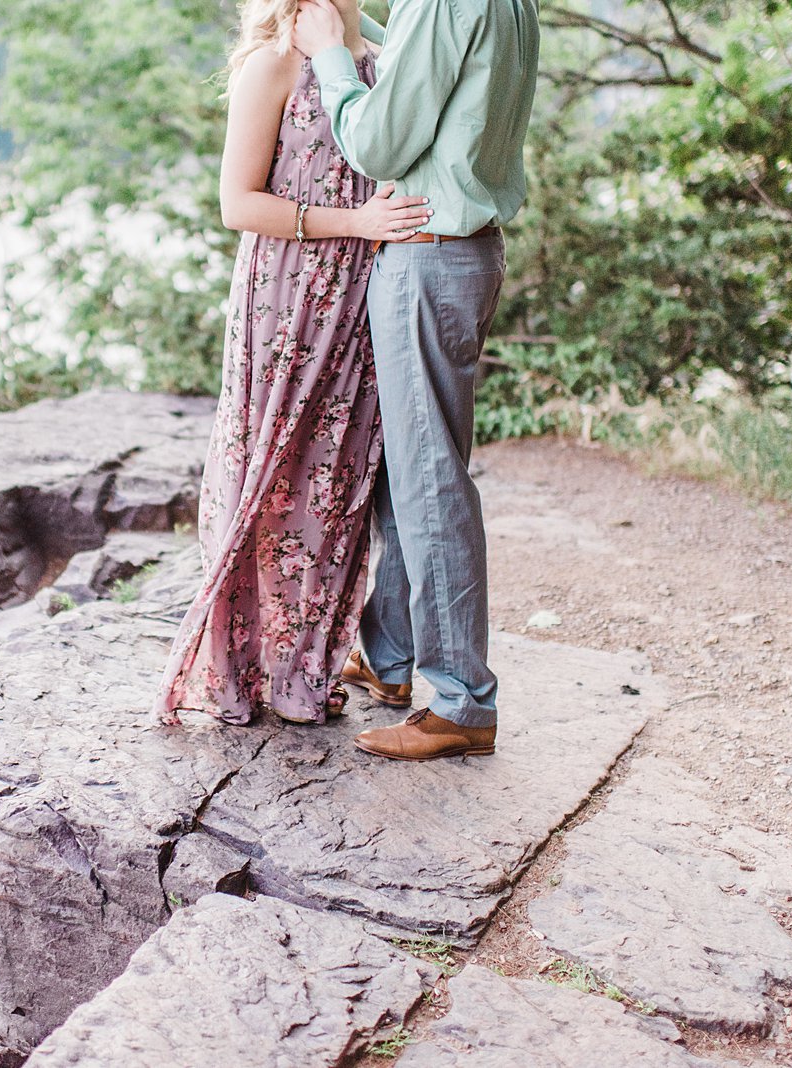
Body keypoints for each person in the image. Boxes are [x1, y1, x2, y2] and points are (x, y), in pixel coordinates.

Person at [153, 0, 434, 728]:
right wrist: (356, 224)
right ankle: (240, 669)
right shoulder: (273, 62)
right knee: (273, 477)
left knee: (337, 484)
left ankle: (305, 669)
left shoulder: (377, 57)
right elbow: (236, 203)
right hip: (287, 298)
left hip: (365, 295)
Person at [292, 0, 539, 759]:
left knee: (430, 478)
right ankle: (391, 655)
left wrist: (332, 52)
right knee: (414, 468)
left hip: (428, 255)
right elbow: (434, 73)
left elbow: (376, 140)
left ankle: (463, 701)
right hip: (466, 251)